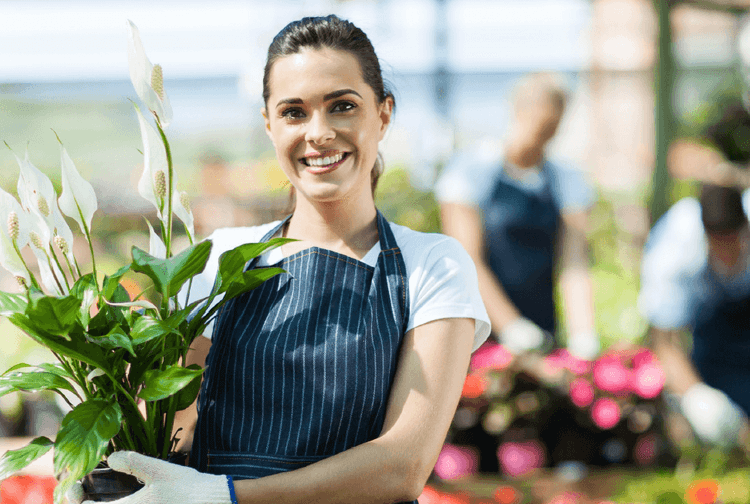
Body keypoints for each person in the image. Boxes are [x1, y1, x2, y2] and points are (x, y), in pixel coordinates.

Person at [68, 15, 490, 504]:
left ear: (383, 115)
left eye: (343, 106)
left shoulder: (430, 266)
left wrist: (227, 496)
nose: (319, 132)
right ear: (269, 124)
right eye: (294, 112)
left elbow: (402, 466)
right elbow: (177, 433)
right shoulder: (219, 260)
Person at [435, 72, 599, 361]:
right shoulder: (471, 171)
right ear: (517, 111)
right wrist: (510, 326)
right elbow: (466, 259)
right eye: (541, 125)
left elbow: (574, 261)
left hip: (542, 328)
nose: (545, 137)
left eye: (553, 128)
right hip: (479, 335)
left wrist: (583, 332)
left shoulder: (565, 179)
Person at [639, 103, 750, 448]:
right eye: (718, 245)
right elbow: (663, 340)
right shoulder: (677, 244)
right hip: (706, 355)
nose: (727, 255)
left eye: (734, 245)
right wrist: (696, 396)